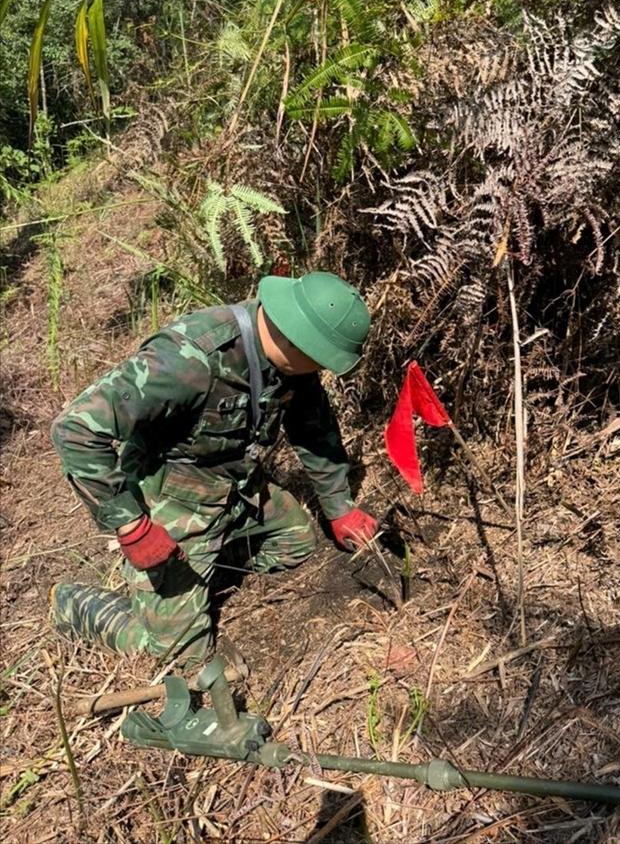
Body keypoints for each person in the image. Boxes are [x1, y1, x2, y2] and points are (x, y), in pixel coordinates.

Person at [49, 271, 378, 665]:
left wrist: (339, 506)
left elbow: (314, 429)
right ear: (297, 338)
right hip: (171, 495)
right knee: (176, 654)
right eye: (321, 359)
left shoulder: (290, 363)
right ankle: (74, 603)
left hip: (235, 485)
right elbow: (75, 428)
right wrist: (132, 527)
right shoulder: (188, 363)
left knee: (297, 543)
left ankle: (200, 564)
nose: (321, 370)